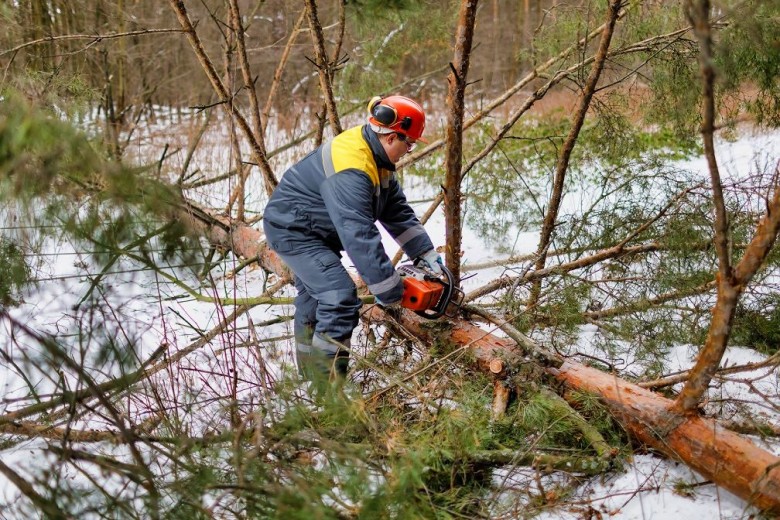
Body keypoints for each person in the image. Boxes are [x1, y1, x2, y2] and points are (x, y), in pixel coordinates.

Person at [263, 95, 442, 382]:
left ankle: (309, 379)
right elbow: (358, 234)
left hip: (316, 230)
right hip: (294, 229)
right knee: (339, 296)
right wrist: (390, 289)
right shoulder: (353, 166)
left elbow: (396, 211)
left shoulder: (376, 158)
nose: (409, 150)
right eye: (408, 143)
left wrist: (426, 255)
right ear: (391, 136)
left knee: (314, 295)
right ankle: (326, 388)